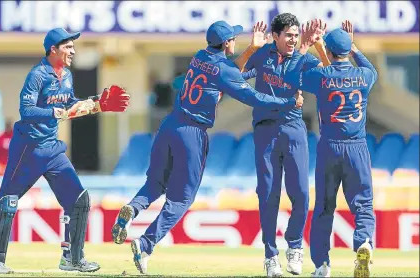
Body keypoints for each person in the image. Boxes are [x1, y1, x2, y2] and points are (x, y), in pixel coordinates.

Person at [111, 20, 304, 275]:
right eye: (233, 38)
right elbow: (251, 96)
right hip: (192, 134)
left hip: (169, 125)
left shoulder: (200, 56)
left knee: (155, 183)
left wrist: (251, 52)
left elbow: (228, 73)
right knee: (182, 198)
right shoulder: (222, 69)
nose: (235, 40)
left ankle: (132, 209)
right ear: (226, 43)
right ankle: (145, 244)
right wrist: (288, 101)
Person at [0, 27, 130, 274]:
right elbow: (26, 111)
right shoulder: (37, 75)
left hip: (52, 150)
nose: (73, 51)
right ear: (53, 49)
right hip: (28, 149)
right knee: (7, 203)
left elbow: (69, 104)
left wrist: (98, 103)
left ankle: (72, 259)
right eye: (68, 47)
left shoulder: (68, 76)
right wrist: (54, 112)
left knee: (79, 200)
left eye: (73, 46)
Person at [285, 20, 378, 277]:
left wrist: (306, 46)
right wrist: (353, 45)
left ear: (328, 49)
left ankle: (322, 265)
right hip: (357, 147)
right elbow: (370, 68)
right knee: (363, 205)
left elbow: (292, 75)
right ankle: (363, 243)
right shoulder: (364, 76)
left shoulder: (322, 77)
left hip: (329, 148)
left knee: (325, 207)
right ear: (348, 50)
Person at [238, 13, 326, 276]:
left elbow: (330, 74)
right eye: (287, 34)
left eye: (296, 35)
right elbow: (235, 74)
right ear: (274, 36)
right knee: (267, 194)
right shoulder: (262, 54)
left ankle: (295, 246)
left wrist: (318, 46)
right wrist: (251, 48)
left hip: (293, 129)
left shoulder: (303, 57)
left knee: (300, 193)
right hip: (265, 131)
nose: (292, 39)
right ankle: (270, 255)